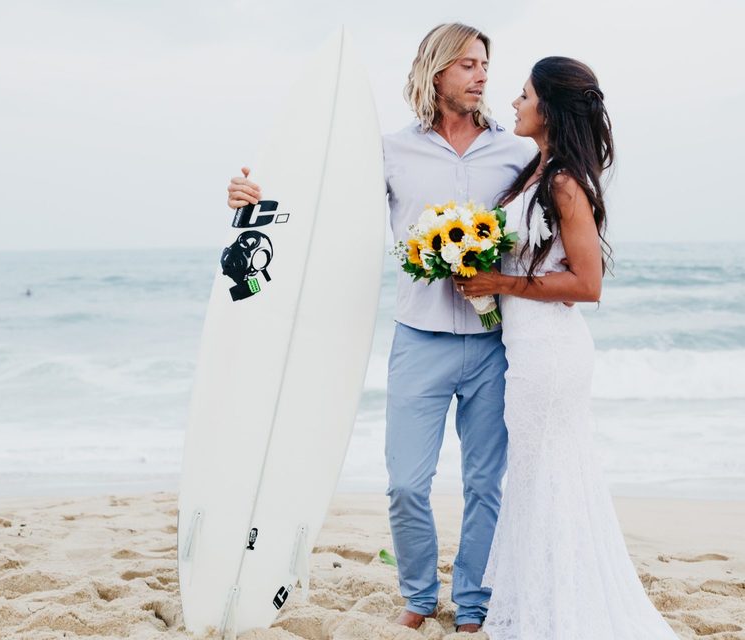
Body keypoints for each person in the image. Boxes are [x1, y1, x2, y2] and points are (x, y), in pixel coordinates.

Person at [227, 23, 534, 633]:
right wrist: (251, 199)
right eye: (468, 65)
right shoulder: (391, 151)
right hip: (419, 339)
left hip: (496, 344)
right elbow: (325, 205)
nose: (480, 77)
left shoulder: (517, 151)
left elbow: (558, 204)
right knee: (405, 484)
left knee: (485, 486)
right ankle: (420, 594)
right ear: (437, 70)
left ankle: (472, 604)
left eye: (485, 66)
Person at [453, 57, 681, 639]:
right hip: (525, 349)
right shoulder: (537, 171)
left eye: (524, 95)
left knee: (548, 477)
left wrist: (497, 283)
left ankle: (561, 613)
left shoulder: (563, 181)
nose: (514, 103)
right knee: (537, 477)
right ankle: (545, 604)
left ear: (548, 108)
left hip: (550, 353)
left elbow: (586, 285)